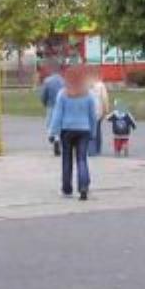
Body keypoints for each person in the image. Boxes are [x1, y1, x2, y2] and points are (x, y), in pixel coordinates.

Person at [47, 69, 100, 200]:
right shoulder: (88, 95)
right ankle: (83, 186)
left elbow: (57, 115)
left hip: (67, 130)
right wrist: (93, 131)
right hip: (84, 130)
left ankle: (67, 188)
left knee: (67, 159)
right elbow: (92, 116)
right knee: (82, 159)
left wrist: (53, 132)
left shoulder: (63, 94)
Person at [39, 68, 65, 156]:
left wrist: (44, 102)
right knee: (60, 124)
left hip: (51, 105)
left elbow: (43, 94)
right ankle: (58, 138)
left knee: (50, 123)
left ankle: (52, 136)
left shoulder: (48, 81)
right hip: (61, 105)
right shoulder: (63, 81)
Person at [87, 67, 111, 156]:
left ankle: (90, 148)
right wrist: (106, 110)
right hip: (98, 110)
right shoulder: (101, 86)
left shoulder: (85, 85)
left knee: (89, 129)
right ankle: (97, 148)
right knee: (97, 129)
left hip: (88, 111)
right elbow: (104, 98)